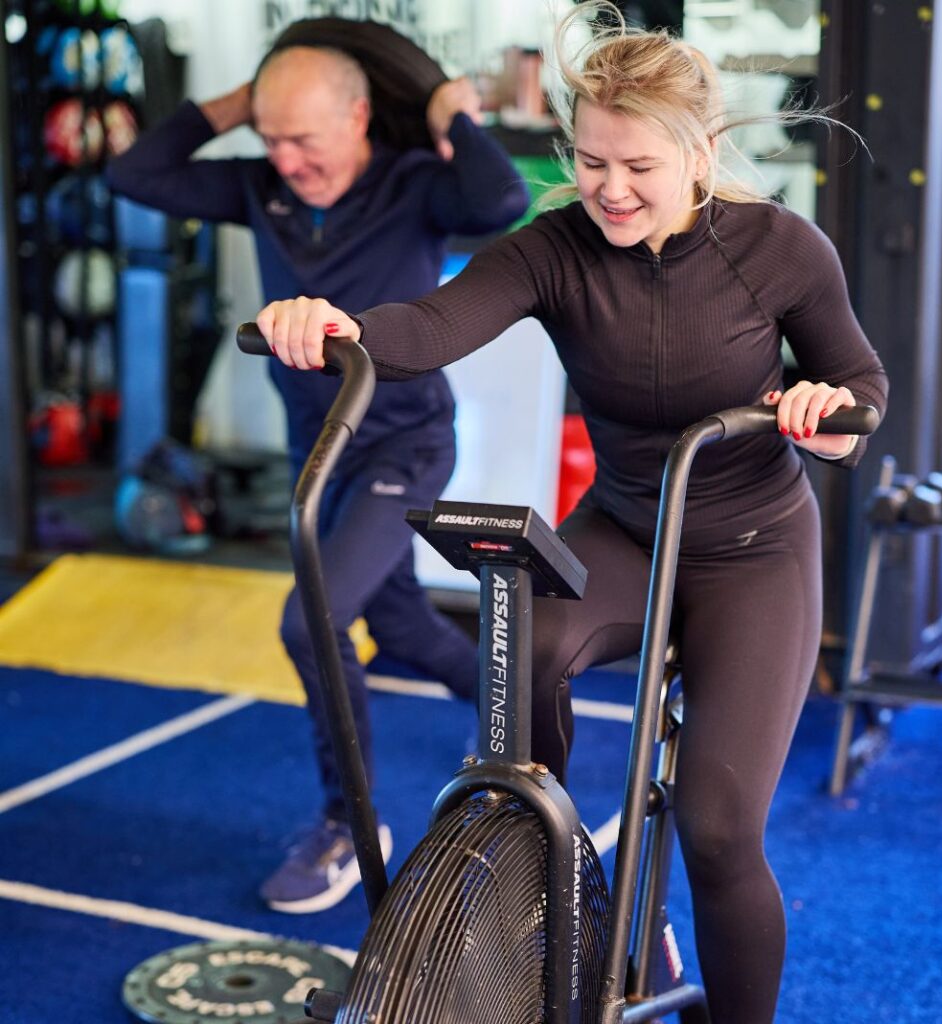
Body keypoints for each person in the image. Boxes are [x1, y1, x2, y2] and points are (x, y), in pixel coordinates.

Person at [254, 4, 888, 1021]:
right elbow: (427, 325)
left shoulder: (777, 248)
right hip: (628, 527)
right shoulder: (555, 248)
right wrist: (336, 324)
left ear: (698, 150)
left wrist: (826, 419)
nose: (611, 188)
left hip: (752, 547)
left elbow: (858, 385)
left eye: (637, 165)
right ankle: (549, 870)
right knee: (526, 650)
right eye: (591, 161)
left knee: (719, 827)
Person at [106, 17, 530, 914]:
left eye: (305, 136)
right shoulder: (263, 187)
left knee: (312, 624)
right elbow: (134, 173)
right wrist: (244, 102)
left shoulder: (418, 184)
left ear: (361, 115)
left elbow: (500, 202)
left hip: (403, 440)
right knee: (404, 627)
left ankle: (349, 822)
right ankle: (522, 707)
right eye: (271, 137)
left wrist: (453, 109)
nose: (288, 158)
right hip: (320, 447)